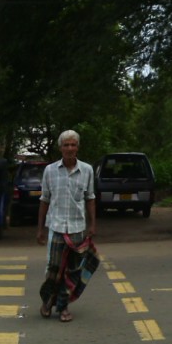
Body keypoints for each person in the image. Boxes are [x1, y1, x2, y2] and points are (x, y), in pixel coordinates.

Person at [39, 130, 97, 323]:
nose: (70, 148)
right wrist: (40, 229)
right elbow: (44, 200)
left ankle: (63, 307)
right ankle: (47, 302)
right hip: (56, 227)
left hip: (78, 228)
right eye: (66, 145)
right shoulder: (50, 171)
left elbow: (90, 198)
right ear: (60, 148)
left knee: (72, 271)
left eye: (73, 145)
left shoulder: (87, 170)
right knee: (53, 269)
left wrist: (92, 225)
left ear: (77, 147)